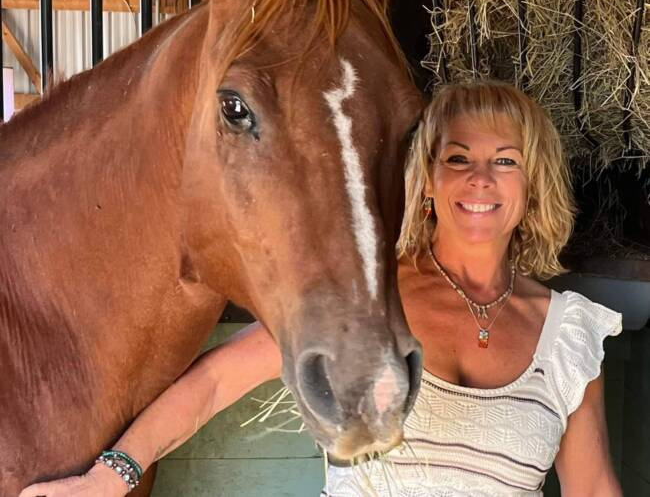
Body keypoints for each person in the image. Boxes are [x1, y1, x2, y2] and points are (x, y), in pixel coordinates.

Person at [21, 81, 623, 497]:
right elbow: (210, 384)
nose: (481, 179)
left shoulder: (567, 333)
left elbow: (592, 488)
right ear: (430, 181)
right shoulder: (368, 296)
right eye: (458, 157)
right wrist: (109, 478)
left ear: (532, 181)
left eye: (506, 161)